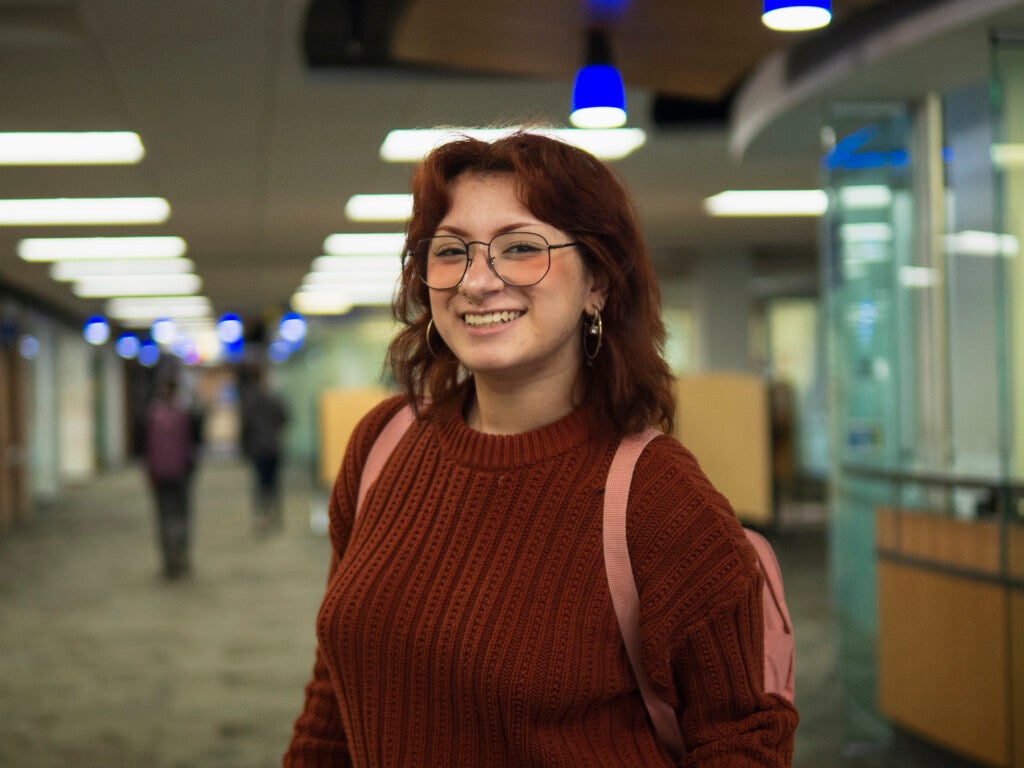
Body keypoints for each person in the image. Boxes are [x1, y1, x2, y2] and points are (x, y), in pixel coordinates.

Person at [283, 131, 799, 766]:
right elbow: (335, 692)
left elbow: (744, 739)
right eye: (451, 252)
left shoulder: (658, 498)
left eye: (520, 248)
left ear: (598, 285)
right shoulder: (383, 445)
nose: (478, 281)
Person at [144, 376, 197, 579]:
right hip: (180, 474)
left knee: (164, 516)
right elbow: (190, 445)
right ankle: (181, 554)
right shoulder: (183, 414)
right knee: (181, 515)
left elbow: (146, 449)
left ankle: (169, 559)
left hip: (159, 475)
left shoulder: (152, 415)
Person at [240, 367, 289, 533]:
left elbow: (246, 426)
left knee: (261, 482)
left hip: (258, 448)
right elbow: (284, 418)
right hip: (273, 446)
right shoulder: (274, 399)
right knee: (273, 482)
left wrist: (245, 447)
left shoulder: (251, 401)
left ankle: (263, 515)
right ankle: (273, 515)